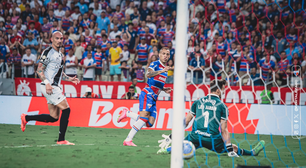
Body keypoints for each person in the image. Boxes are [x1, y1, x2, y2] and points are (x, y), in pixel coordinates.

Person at [157, 79, 265, 157]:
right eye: (223, 90)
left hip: (196, 136)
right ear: (218, 90)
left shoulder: (198, 101)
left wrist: (172, 136)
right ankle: (252, 153)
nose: (223, 92)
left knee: (178, 147)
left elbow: (186, 121)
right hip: (212, 139)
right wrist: (229, 149)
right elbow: (224, 130)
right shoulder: (222, 106)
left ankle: (165, 150)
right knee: (232, 147)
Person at [20, 31, 80, 145]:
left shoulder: (60, 55)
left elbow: (59, 73)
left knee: (54, 117)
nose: (59, 40)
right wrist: (47, 83)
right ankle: (61, 140)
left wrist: (70, 79)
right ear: (52, 39)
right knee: (66, 110)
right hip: (49, 86)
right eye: (57, 38)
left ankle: (26, 118)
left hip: (52, 86)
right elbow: (39, 70)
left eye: (61, 38)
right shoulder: (47, 52)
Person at [117, 47, 172, 146]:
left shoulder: (166, 69)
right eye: (163, 53)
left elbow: (156, 82)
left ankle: (127, 113)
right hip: (148, 93)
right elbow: (149, 74)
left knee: (149, 123)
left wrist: (163, 89)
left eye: (167, 54)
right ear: (159, 55)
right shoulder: (155, 64)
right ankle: (128, 140)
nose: (165, 56)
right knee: (143, 118)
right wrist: (161, 71)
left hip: (154, 97)